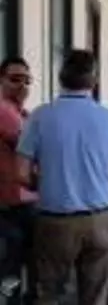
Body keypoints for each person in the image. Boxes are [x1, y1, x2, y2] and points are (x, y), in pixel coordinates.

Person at [16, 49, 108, 305]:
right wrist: (103, 190)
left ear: (61, 77)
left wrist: (46, 184)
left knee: (49, 294)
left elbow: (21, 173)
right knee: (95, 297)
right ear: (94, 81)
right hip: (101, 220)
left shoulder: (40, 116)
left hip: (54, 220)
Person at [0, 57, 36, 303]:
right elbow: (28, 149)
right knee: (11, 272)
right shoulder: (3, 111)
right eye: (15, 79)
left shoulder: (25, 114)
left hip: (29, 202)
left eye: (26, 80)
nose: (22, 85)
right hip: (9, 206)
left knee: (31, 269)